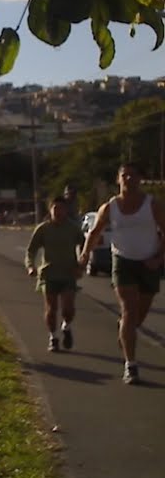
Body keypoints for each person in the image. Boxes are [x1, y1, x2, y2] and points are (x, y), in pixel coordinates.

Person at [79, 163, 165, 385]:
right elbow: (94, 232)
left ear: (140, 179)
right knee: (129, 309)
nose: (128, 178)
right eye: (124, 175)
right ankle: (131, 365)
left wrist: (158, 258)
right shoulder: (109, 207)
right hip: (122, 261)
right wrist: (85, 256)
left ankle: (127, 333)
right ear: (118, 180)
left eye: (133, 175)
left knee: (139, 314)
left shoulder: (152, 205)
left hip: (148, 261)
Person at [25, 196, 86, 352]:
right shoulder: (43, 229)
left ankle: (66, 326)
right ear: (50, 210)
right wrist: (30, 266)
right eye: (55, 209)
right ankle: (53, 337)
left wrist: (81, 265)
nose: (58, 212)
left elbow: (85, 248)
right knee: (51, 309)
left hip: (68, 273)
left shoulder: (73, 228)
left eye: (61, 209)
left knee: (68, 308)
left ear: (66, 210)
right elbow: (31, 250)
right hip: (49, 274)